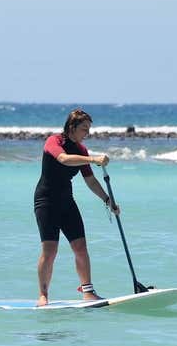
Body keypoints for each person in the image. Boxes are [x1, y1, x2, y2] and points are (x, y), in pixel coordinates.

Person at [34, 108, 118, 306]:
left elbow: (90, 181)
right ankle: (43, 295)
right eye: (84, 129)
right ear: (72, 127)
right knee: (50, 250)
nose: (87, 134)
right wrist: (93, 159)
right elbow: (63, 159)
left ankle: (88, 292)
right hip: (46, 202)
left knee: (80, 247)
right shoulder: (54, 142)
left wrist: (108, 201)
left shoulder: (81, 150)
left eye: (88, 129)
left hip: (67, 202)